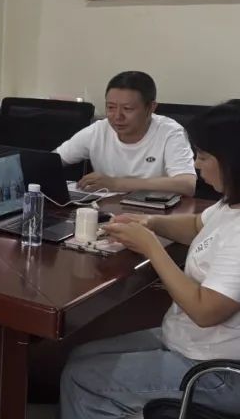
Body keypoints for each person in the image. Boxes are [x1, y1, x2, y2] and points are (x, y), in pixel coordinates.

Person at [60, 102, 240, 418]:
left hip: (215, 372)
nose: (196, 164)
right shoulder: (230, 205)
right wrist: (149, 222)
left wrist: (151, 248)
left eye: (203, 157)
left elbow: (205, 310)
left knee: (80, 377)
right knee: (79, 356)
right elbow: (197, 225)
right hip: (189, 342)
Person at [56, 71, 196, 196]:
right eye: (111, 107)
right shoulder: (98, 130)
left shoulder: (170, 132)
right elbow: (52, 160)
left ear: (151, 108)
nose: (117, 116)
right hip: (107, 210)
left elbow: (187, 184)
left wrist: (116, 184)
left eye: (127, 109)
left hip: (155, 212)